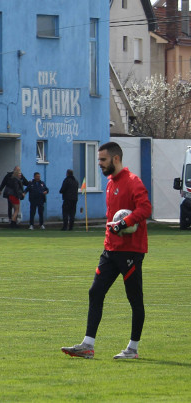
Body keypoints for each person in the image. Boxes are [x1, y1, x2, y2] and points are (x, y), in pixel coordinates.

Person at [61, 141, 151, 360]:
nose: (99, 164)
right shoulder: (111, 183)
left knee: (134, 299)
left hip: (131, 251)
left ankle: (133, 348)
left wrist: (125, 222)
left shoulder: (133, 181)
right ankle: (87, 346)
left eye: (103, 160)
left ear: (116, 159)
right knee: (95, 292)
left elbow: (145, 208)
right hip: (110, 250)